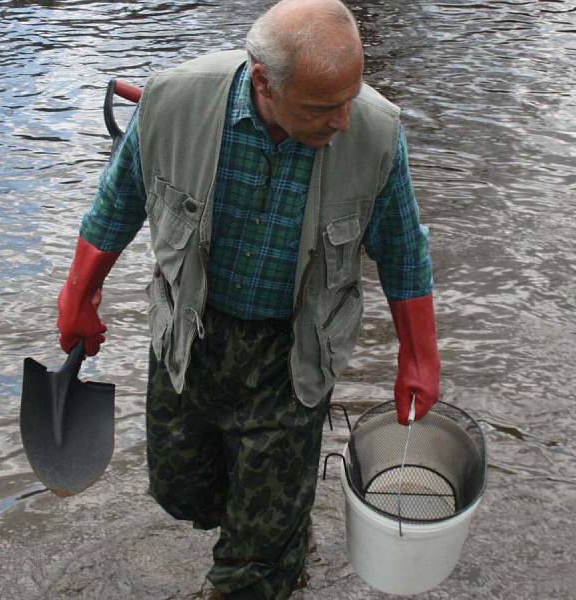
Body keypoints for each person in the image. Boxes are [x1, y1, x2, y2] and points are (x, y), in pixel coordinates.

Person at [56, 0, 440, 597]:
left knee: (255, 567)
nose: (342, 121)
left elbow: (404, 250)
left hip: (293, 356)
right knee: (181, 491)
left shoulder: (374, 132)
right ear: (264, 81)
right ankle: (274, 522)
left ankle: (272, 546)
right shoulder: (173, 103)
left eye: (350, 98)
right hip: (193, 335)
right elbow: (117, 203)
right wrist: (79, 294)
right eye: (322, 107)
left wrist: (419, 357)